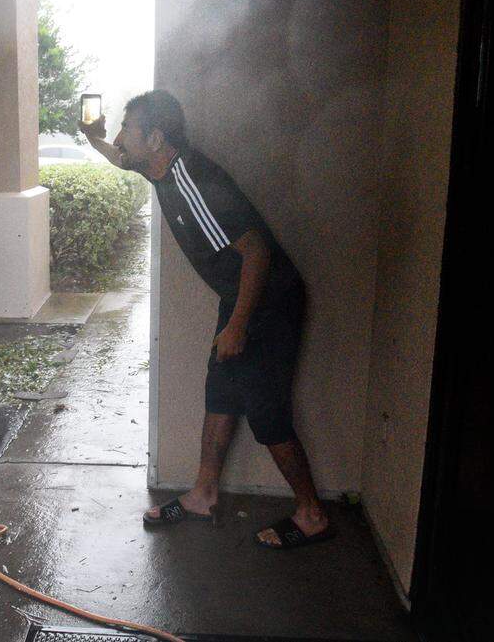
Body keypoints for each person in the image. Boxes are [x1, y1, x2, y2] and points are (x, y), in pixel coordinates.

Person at [78, 90, 331, 549]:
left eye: (125, 130)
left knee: (267, 412)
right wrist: (94, 140)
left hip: (270, 301)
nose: (119, 139)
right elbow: (122, 158)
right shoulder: (161, 170)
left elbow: (256, 252)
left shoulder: (192, 181)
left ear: (155, 139)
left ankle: (311, 513)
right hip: (240, 299)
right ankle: (203, 494)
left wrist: (236, 326)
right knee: (220, 393)